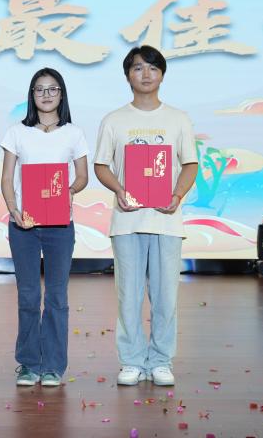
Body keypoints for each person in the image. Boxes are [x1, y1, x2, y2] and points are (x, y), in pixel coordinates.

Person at [93, 45, 198, 387]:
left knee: (166, 297)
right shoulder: (114, 120)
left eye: (152, 67)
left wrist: (177, 195)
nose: (146, 74)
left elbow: (190, 164)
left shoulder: (178, 119)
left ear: (162, 74)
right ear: (128, 75)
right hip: (127, 221)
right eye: (138, 68)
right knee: (129, 296)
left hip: (167, 220)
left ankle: (161, 360)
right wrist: (119, 190)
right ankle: (132, 361)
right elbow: (101, 165)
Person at [0, 68, 88, 387]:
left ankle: (53, 365)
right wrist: (14, 210)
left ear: (61, 94)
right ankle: (28, 364)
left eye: (52, 89)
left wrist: (69, 191)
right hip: (23, 225)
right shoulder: (17, 133)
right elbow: (7, 179)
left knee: (56, 297)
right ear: (32, 95)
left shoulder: (73, 133)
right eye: (40, 89)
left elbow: (82, 176)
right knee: (28, 295)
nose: (46, 95)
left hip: (60, 226)